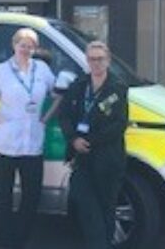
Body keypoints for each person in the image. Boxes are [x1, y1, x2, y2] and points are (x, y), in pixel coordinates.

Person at [0, 28, 56, 249]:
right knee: (4, 195)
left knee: (32, 196)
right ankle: (6, 241)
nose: (26, 49)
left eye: (31, 45)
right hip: (4, 144)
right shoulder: (1, 70)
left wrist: (46, 118)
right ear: (14, 45)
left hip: (32, 144)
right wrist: (3, 122)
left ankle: (20, 239)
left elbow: (59, 93)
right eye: (22, 44)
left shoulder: (42, 69)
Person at [59, 41, 129, 249]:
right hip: (82, 159)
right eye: (91, 59)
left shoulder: (117, 87)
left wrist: (89, 141)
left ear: (107, 61)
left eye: (100, 59)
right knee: (87, 206)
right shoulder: (79, 85)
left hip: (107, 159)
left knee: (106, 210)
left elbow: (119, 124)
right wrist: (73, 139)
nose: (96, 63)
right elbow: (64, 115)